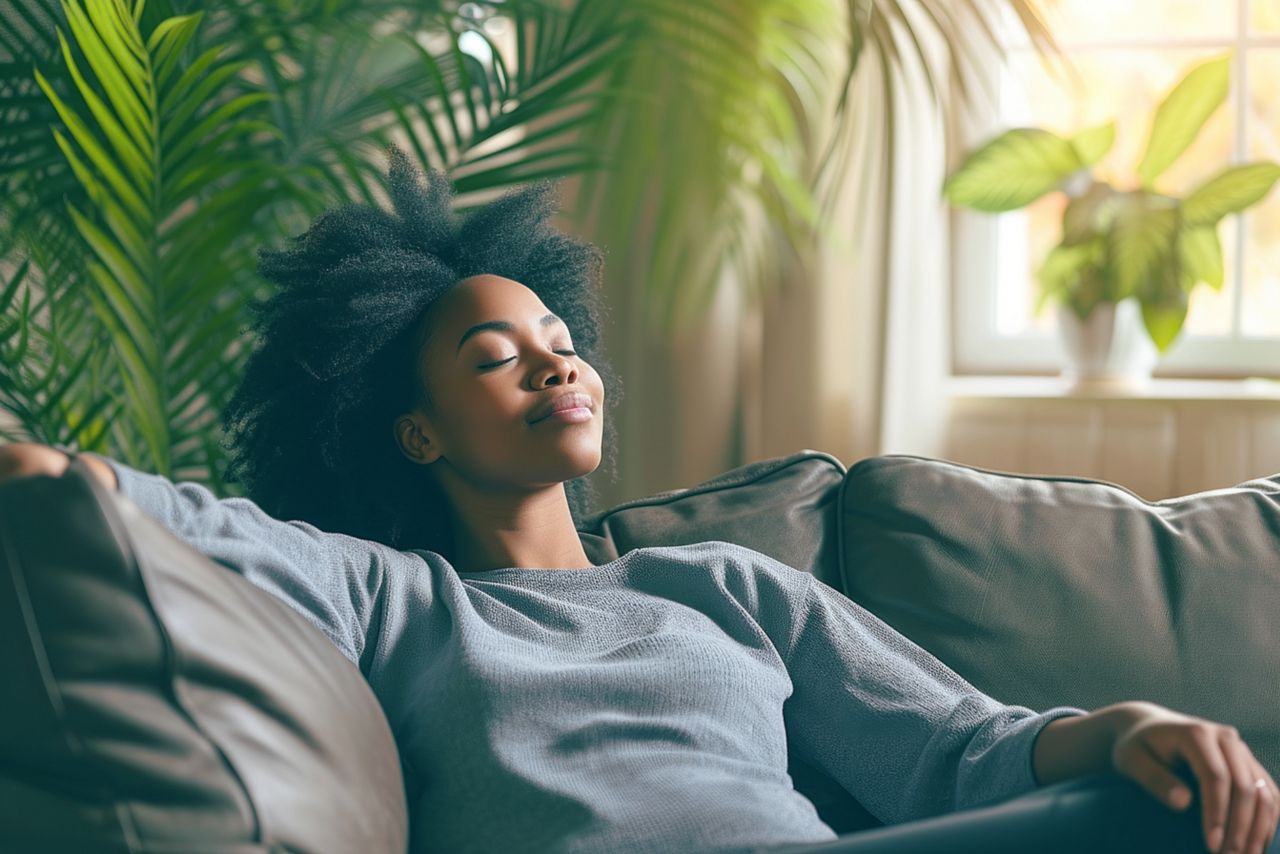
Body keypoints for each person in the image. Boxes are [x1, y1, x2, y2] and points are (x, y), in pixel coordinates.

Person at [2, 146, 1275, 854]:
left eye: (561, 335)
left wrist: (1127, 725)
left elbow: (956, 751)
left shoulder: (720, 583)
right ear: (412, 431)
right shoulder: (395, 597)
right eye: (496, 355)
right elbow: (198, 525)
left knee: (1193, 804)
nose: (557, 360)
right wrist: (57, 471)